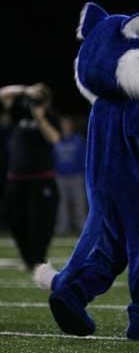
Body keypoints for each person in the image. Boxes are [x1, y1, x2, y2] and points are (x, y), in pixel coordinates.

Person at [36, 3, 139, 340]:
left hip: (105, 191)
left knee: (110, 253)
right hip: (137, 190)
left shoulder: (102, 105)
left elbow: (123, 135)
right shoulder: (137, 101)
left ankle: (72, 294)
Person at [0, 83, 60, 271]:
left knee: (40, 221)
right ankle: (27, 259)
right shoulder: (20, 112)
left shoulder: (51, 116)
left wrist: (41, 119)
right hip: (16, 178)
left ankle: (38, 259)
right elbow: (3, 93)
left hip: (41, 178)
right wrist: (26, 90)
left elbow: (55, 139)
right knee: (15, 219)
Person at [53, 115, 87, 235]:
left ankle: (82, 227)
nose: (65, 126)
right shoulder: (56, 139)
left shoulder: (78, 140)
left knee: (79, 203)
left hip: (76, 176)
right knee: (61, 205)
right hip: (60, 177)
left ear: (71, 126)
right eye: (63, 124)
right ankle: (62, 228)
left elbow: (84, 158)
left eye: (67, 124)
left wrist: (84, 175)